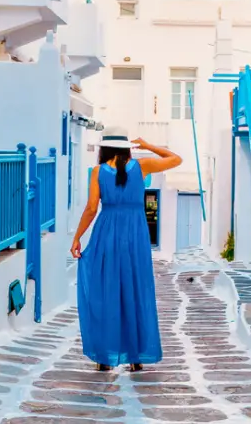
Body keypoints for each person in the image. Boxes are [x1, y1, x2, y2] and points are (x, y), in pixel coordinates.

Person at [70, 128, 181, 371]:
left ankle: (104, 358)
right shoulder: (141, 167)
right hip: (136, 235)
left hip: (107, 233)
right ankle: (136, 357)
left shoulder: (99, 171)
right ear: (128, 147)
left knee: (106, 289)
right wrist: (149, 145)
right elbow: (176, 159)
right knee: (135, 289)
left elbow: (91, 209)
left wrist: (77, 237)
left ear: (103, 148)